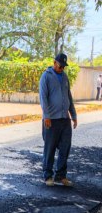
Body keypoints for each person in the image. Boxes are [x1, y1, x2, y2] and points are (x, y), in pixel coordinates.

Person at [39, 53, 77, 187]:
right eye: (60, 66)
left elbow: (69, 97)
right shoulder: (46, 76)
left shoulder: (65, 77)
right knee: (49, 149)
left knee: (65, 148)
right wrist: (46, 116)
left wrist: (74, 115)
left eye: (64, 67)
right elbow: (43, 97)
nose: (62, 69)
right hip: (51, 120)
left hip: (65, 119)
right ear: (54, 63)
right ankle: (48, 175)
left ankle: (61, 176)